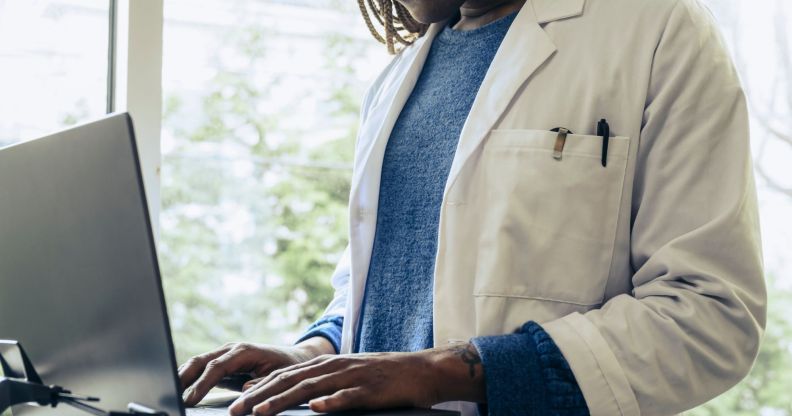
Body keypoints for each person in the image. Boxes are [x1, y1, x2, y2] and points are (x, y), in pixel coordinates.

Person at [178, 0, 767, 414]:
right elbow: (384, 288)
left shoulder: (660, 31)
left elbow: (708, 317)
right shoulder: (396, 82)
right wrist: (313, 353)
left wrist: (444, 373)